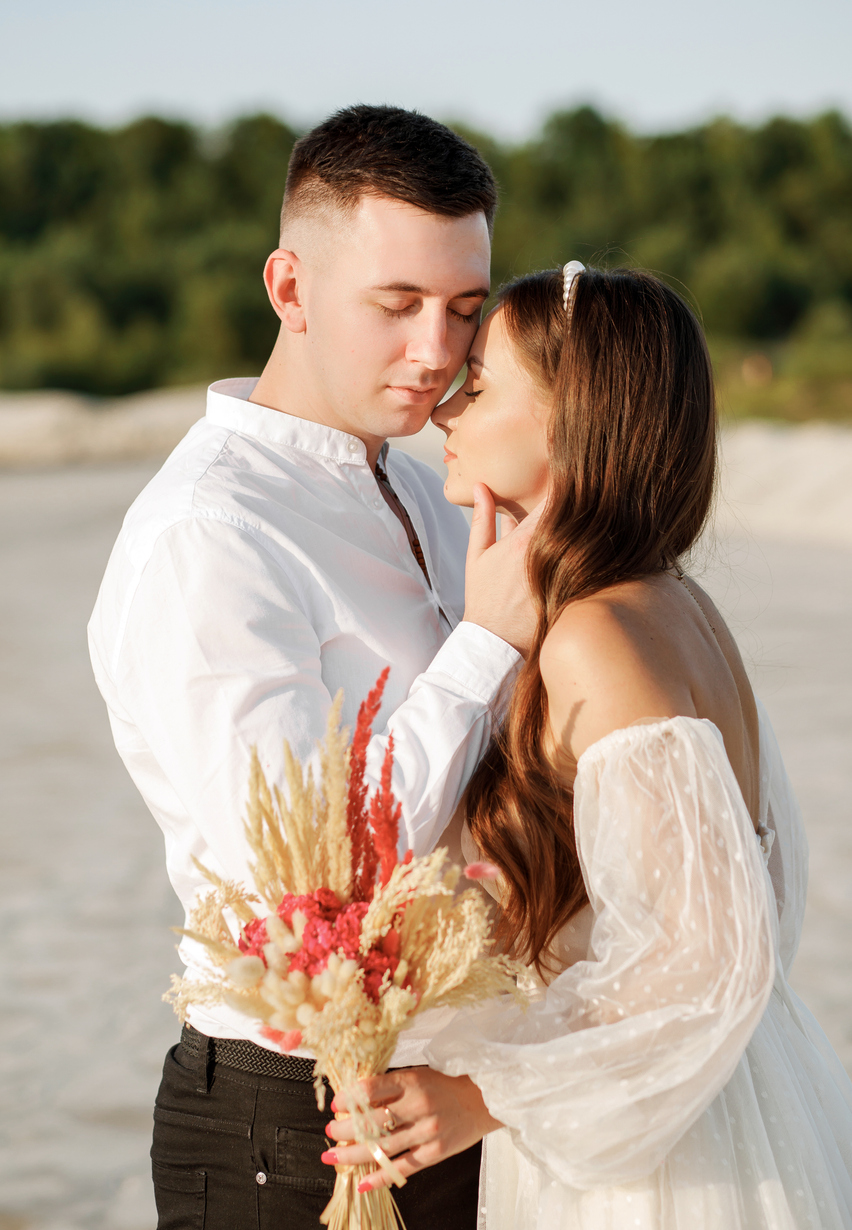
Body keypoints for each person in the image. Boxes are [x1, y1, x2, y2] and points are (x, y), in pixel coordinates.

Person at [322, 263, 852, 1228]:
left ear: (572, 420)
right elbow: (760, 899)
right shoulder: (673, 601)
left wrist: (484, 1098)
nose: (444, 408)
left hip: (647, 1157)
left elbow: (707, 959)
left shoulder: (596, 637)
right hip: (706, 1100)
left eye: (478, 384)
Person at [88, 105, 539, 1229]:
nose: (436, 351)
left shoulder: (438, 494)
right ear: (288, 290)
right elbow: (313, 886)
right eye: (396, 306)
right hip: (287, 1133)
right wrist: (487, 643)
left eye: (464, 311)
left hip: (460, 1099)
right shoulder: (212, 536)